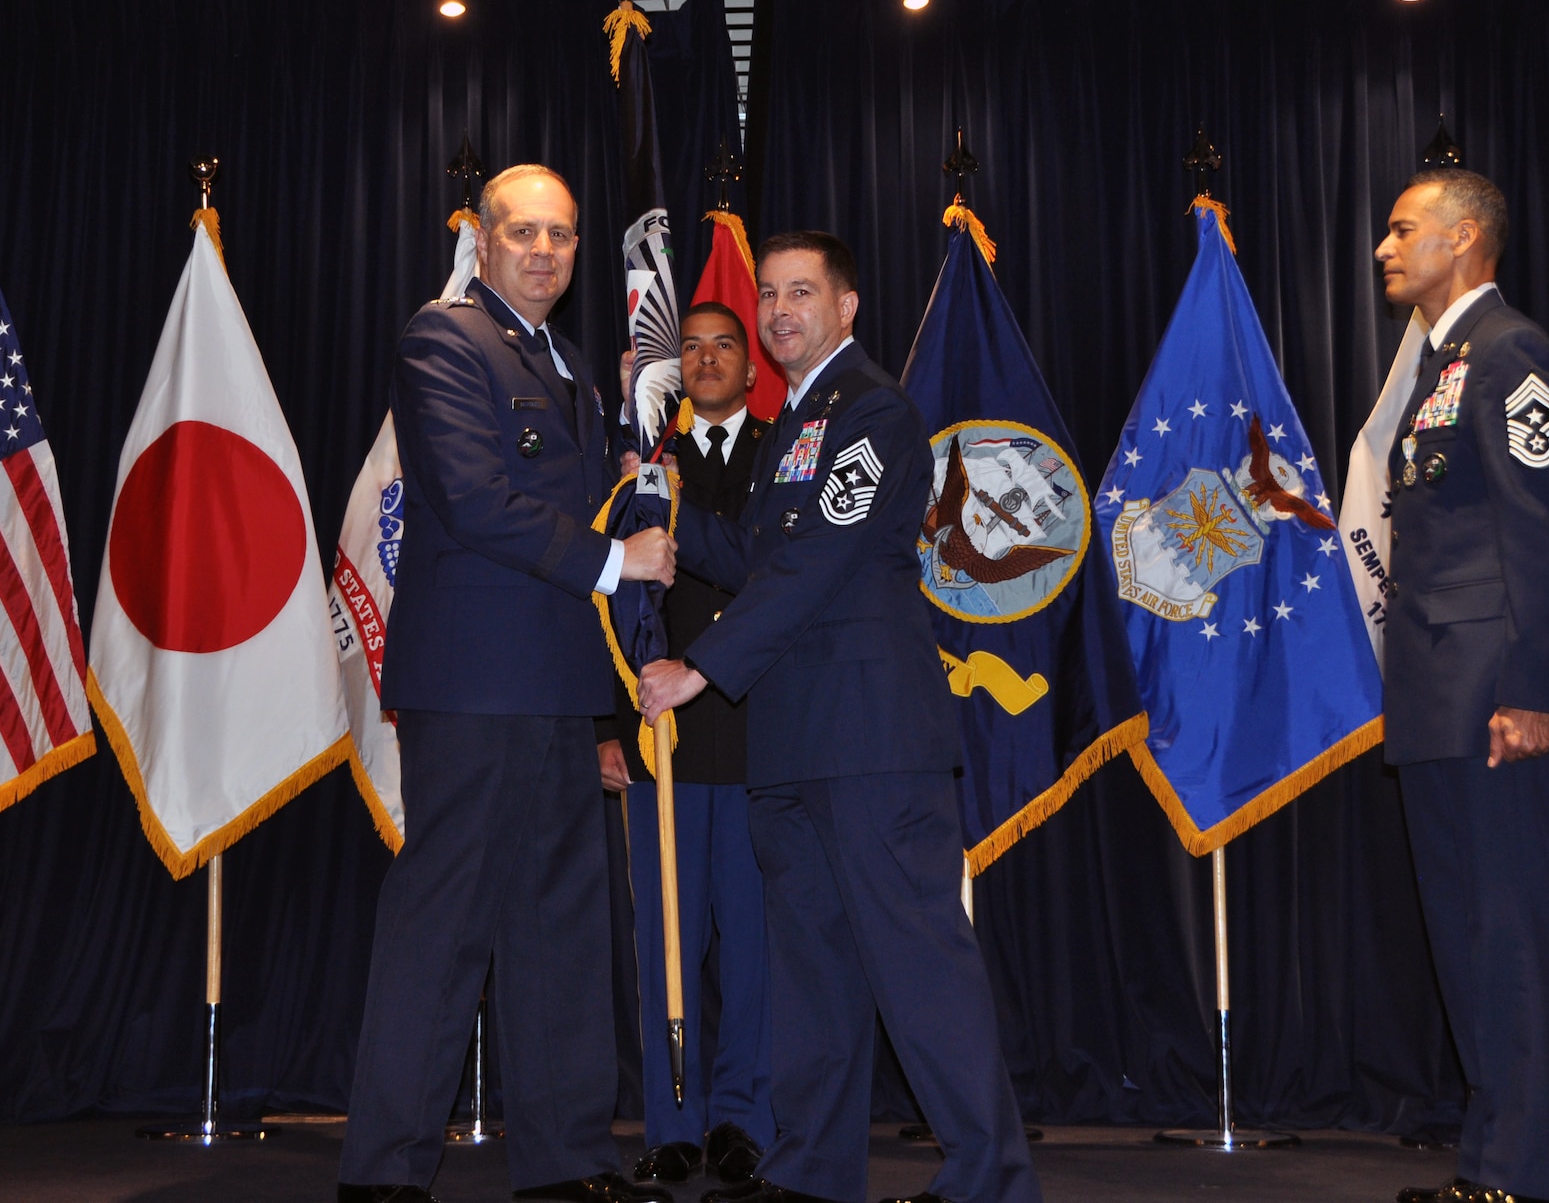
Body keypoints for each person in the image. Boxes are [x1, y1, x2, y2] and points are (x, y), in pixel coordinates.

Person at [638, 233, 1040, 1203]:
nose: (778, 311)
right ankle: (812, 1172)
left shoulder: (869, 410)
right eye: (768, 293)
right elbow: (750, 554)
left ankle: (989, 1178)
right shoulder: (793, 424)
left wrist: (701, 666)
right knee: (808, 972)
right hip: (791, 742)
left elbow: (816, 559)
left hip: (870, 739)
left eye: (800, 293)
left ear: (846, 306)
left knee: (915, 963)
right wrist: (660, 503)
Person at [337, 164, 679, 1203]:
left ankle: (565, 1160)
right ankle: (386, 1172)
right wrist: (619, 562)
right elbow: (478, 501)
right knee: (442, 928)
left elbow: (580, 501)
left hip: (556, 685)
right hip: (475, 686)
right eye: (522, 232)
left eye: (562, 236)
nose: (543, 251)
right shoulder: (442, 338)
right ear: (480, 241)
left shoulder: (568, 362)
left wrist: (637, 458)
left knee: (559, 929)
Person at [1373, 169, 1549, 1203]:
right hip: (1434, 694)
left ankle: (1535, 1176)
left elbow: (1543, 532)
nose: (1384, 247)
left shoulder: (1509, 353)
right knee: (1466, 943)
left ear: (1463, 238)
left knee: (1510, 938)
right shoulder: (1438, 364)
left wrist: (1530, 688)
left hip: (1494, 700)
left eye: (1402, 229)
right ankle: (1489, 1167)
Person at [600, 302, 776, 1188]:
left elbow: (775, 572)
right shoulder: (636, 462)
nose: (706, 360)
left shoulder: (788, 456)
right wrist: (607, 725)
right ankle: (674, 1118)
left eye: (723, 347)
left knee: (752, 948)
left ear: (752, 369)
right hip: (660, 739)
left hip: (757, 734)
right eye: (692, 348)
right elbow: (597, 601)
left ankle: (744, 1121)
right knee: (663, 943)